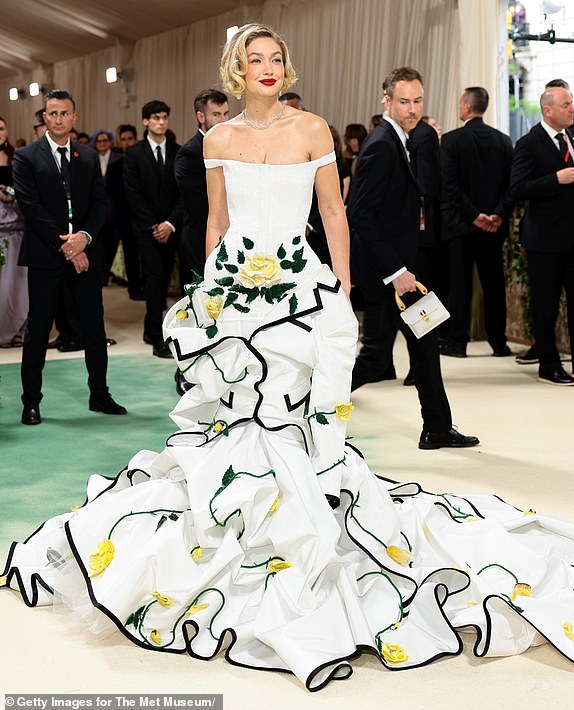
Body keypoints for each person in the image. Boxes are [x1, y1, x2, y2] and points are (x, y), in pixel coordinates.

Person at [3, 26, 574, 692]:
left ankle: (305, 517)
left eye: (276, 59)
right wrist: (209, 292)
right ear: (237, 70)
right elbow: (216, 222)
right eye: (256, 60)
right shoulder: (217, 140)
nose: (268, 68)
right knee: (236, 414)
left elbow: (333, 211)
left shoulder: (313, 129)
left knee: (302, 413)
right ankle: (242, 520)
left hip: (301, 286)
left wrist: (338, 282)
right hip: (238, 291)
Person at [348, 67, 478, 450]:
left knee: (424, 346)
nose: (412, 108)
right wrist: (396, 272)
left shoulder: (400, 139)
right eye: (404, 101)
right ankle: (306, 404)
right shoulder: (382, 145)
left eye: (417, 101)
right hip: (390, 276)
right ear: (386, 101)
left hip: (404, 270)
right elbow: (360, 215)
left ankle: (437, 427)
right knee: (374, 358)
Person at [12, 89, 126, 424]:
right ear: (44, 118)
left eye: (65, 114)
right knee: (38, 330)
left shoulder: (88, 157)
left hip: (86, 254)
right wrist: (67, 246)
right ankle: (31, 401)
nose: (59, 119)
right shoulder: (26, 157)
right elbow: (31, 208)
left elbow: (99, 204)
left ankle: (100, 395)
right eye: (53, 114)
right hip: (47, 256)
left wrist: (84, 239)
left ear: (74, 117)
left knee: (93, 326)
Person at [440, 87, 514, 358]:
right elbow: (511, 186)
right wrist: (497, 214)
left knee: (460, 285)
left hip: (462, 225)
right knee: (494, 284)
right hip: (494, 227)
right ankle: (499, 343)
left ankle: (458, 342)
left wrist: (474, 216)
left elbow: (451, 186)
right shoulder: (504, 141)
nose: (459, 107)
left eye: (461, 102)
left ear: (468, 107)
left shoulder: (450, 141)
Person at [510, 84, 574, 385]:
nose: (571, 109)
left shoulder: (572, 137)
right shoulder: (528, 143)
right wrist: (555, 179)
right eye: (565, 105)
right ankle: (548, 365)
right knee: (545, 307)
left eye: (571, 102)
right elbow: (517, 189)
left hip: (572, 238)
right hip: (545, 240)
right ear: (547, 110)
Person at [173, 89, 229, 395]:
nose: (222, 120)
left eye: (225, 114)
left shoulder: (234, 146)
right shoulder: (189, 153)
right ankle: (186, 370)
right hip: (199, 240)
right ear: (200, 117)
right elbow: (198, 206)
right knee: (199, 309)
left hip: (233, 240)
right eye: (216, 115)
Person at [123, 100, 183, 358]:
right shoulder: (134, 154)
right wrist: (152, 225)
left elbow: (183, 192)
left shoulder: (178, 151)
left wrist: (169, 223)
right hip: (145, 229)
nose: (161, 122)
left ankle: (150, 329)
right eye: (156, 118)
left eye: (164, 117)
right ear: (146, 121)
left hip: (171, 226)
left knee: (165, 275)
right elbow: (132, 194)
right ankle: (158, 336)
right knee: (155, 277)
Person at [0, 116, 28, 348]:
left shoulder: (16, 158)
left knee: (16, 282)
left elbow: (25, 189)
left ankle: (16, 329)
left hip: (15, 226)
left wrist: (10, 193)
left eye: (0, 128)